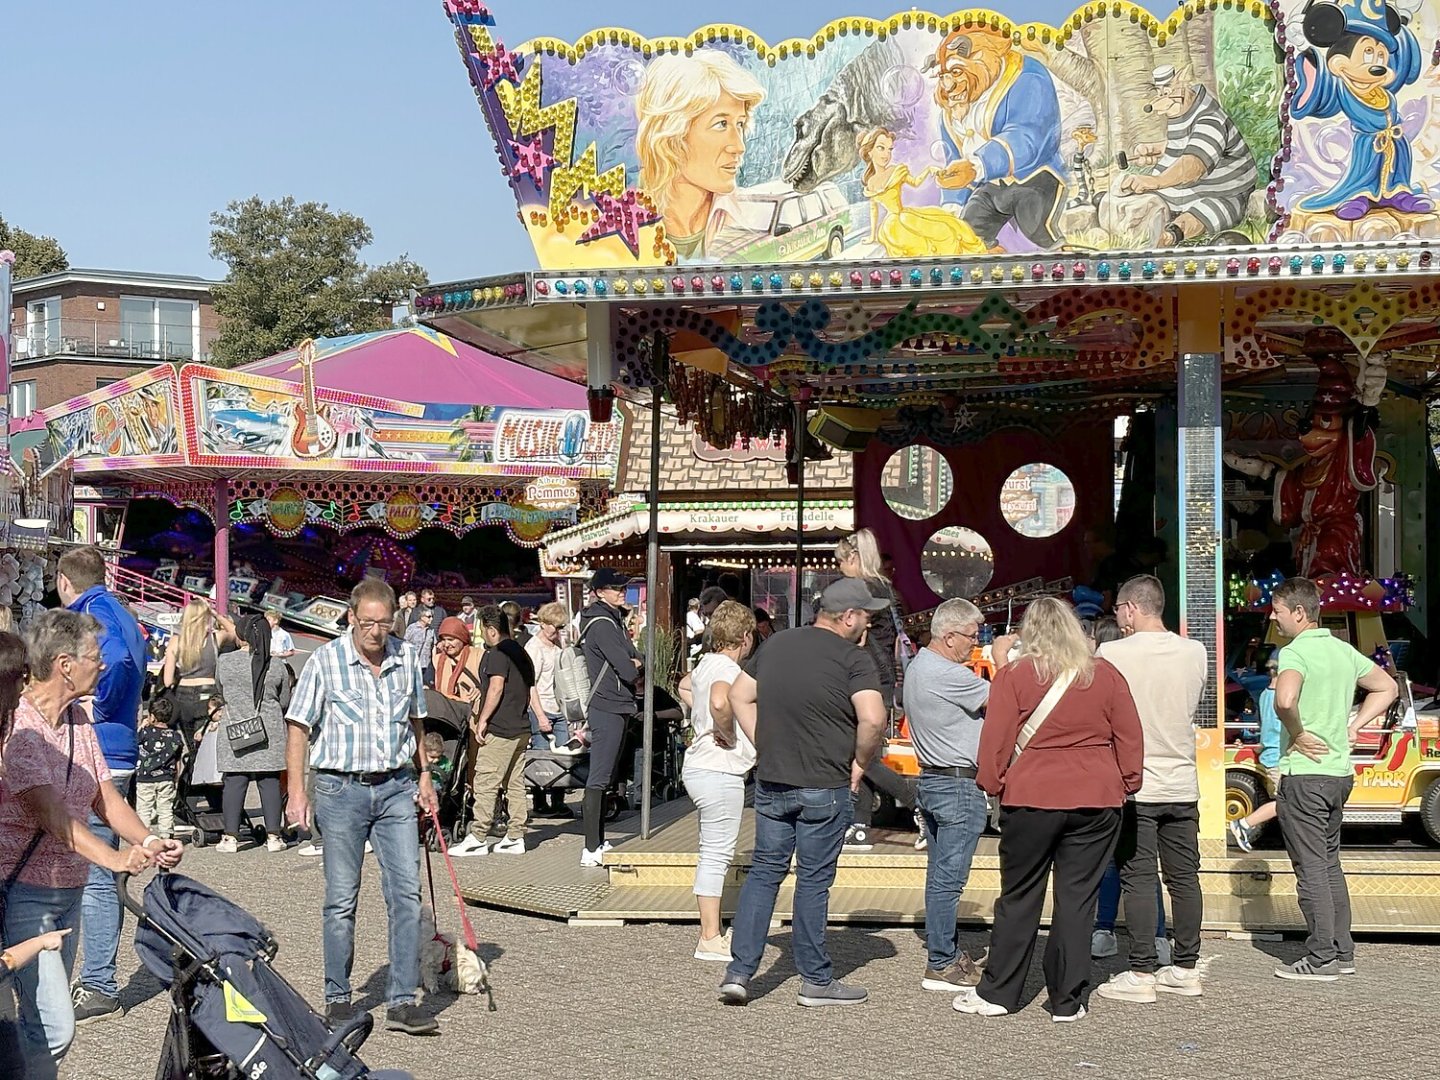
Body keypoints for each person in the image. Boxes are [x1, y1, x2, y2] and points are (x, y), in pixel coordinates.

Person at [1, 612, 181, 1071]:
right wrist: (114, 858)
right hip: (24, 895)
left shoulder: (80, 717)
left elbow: (104, 796)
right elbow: (53, 817)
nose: (103, 667)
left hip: (69, 891)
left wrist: (150, 839)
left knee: (42, 1026)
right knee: (54, 1029)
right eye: (96, 659)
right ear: (65, 664)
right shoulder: (20, 726)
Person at [955, 598, 1142, 1022]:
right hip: (1096, 798)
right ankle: (1067, 1000)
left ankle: (999, 993)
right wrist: (1128, 782)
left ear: (1029, 632)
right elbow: (1129, 736)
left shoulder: (1015, 676)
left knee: (1020, 897)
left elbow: (996, 740)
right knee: (1078, 901)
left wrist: (993, 785)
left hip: (1031, 797)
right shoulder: (1106, 676)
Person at [717, 578, 889, 1007]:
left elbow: (737, 695)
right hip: (825, 783)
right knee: (813, 882)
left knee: (764, 873)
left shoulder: (776, 645)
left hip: (774, 779)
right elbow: (872, 718)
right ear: (848, 617)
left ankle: (739, 972)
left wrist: (763, 742)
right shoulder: (855, 658)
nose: (868, 623)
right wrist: (861, 763)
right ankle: (815, 980)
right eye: (866, 615)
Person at [283, 578, 440, 1036]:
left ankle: (403, 999)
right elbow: (298, 726)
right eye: (367, 622)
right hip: (339, 790)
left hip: (395, 786)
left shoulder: (405, 656)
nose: (375, 632)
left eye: (383, 623)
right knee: (341, 898)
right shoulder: (326, 661)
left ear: (394, 620)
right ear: (351, 616)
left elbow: (415, 720)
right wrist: (297, 791)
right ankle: (337, 997)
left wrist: (425, 775)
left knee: (406, 894)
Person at [1268, 577, 1396, 981]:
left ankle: (1320, 956)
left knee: (1310, 870)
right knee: (1329, 863)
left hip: (1304, 774)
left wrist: (1299, 731)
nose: (1274, 617)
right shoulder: (1342, 650)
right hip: (1338, 773)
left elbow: (1285, 699)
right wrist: (1355, 724)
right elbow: (1387, 686)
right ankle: (1342, 952)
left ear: (1299, 613)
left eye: (1278, 610)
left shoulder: (1295, 652)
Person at [1094, 574, 1209, 1004]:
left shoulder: (1111, 653)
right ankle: (1186, 967)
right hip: (1183, 780)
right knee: (1184, 877)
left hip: (1135, 782)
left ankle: (1141, 971)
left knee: (1138, 876)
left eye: (1120, 610)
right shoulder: (1195, 651)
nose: (1118, 617)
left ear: (1131, 608)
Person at [56, 547, 148, 1027]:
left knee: (92, 869)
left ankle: (98, 981)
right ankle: (94, 975)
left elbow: (118, 664)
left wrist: (94, 704)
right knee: (98, 867)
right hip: (120, 744)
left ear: (63, 581)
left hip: (100, 746)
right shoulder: (122, 612)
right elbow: (139, 661)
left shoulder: (92, 613)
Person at [905, 598, 1013, 992]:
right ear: (948, 637)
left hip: (934, 781)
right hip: (956, 784)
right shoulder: (948, 674)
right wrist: (1002, 658)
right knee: (949, 881)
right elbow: (1007, 700)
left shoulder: (921, 666)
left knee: (940, 877)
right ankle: (942, 963)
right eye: (972, 635)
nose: (976, 643)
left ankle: (944, 954)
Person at [676, 601, 755, 963]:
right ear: (745, 637)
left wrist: (700, 721)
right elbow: (722, 702)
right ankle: (710, 936)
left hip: (699, 765)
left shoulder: (706, 663)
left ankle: (711, 931)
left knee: (712, 849)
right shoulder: (728, 667)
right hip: (720, 767)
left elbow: (684, 686)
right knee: (716, 853)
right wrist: (725, 730)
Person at [1089, 615, 1168, 962]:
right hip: (1152, 773)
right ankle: (1159, 937)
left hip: (1112, 775)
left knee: (1111, 861)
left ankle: (1104, 930)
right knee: (1145, 863)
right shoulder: (1157, 670)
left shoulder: (1103, 669)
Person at [635, 50, 766, 261]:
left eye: (740, 124)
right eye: (721, 124)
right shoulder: (617, 215)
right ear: (672, 135)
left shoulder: (751, 218)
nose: (739, 146)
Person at [835, 528, 903, 849]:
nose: (838, 568)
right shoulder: (884, 588)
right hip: (881, 677)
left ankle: (918, 802)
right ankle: (860, 824)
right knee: (862, 753)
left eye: (840, 561)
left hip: (866, 678)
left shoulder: (861, 590)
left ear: (854, 558)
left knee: (862, 755)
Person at [451, 607, 535, 857]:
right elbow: (529, 690)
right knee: (515, 783)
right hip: (521, 727)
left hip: (501, 728)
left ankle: (478, 836)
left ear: (491, 630)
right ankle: (516, 835)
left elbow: (496, 687)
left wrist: (484, 719)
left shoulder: (497, 654)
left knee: (486, 780)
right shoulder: (521, 653)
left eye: (482, 632)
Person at [578, 569, 643, 867]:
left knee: (606, 776)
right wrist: (633, 663)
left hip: (615, 704)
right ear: (600, 591)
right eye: (616, 588)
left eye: (624, 587)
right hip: (607, 705)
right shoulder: (603, 624)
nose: (622, 592)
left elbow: (635, 656)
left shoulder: (612, 620)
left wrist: (633, 661)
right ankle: (591, 847)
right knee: (600, 776)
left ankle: (598, 840)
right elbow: (629, 668)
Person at [214, 614, 291, 854]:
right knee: (269, 783)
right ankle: (273, 836)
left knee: (235, 782)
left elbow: (220, 690)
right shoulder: (276, 665)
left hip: (236, 728)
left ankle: (230, 837)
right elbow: (285, 699)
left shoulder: (225, 662)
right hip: (268, 730)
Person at [859, 127, 987, 257]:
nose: (886, 154)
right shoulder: (871, 182)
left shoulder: (895, 170)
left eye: (889, 149)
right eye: (881, 148)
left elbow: (915, 182)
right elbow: (873, 208)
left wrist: (929, 169)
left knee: (945, 229)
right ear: (869, 152)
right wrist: (872, 236)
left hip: (906, 216)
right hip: (891, 226)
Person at [1230, 658, 1283, 851]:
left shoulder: (1264, 695)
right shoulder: (1282, 698)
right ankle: (1244, 824)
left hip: (1272, 752)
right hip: (1279, 755)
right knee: (1287, 802)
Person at [162, 598, 226, 747]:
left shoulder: (176, 641)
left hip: (183, 696)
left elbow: (167, 681)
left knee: (191, 746)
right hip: (209, 694)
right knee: (207, 744)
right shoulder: (216, 638)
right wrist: (217, 615)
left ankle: (192, 768)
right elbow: (236, 632)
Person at [525, 602, 574, 759]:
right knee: (543, 760)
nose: (558, 631)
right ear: (542, 624)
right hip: (542, 710)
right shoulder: (534, 648)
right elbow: (530, 685)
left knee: (564, 759)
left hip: (560, 710)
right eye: (555, 627)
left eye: (561, 627)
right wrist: (540, 717)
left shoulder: (557, 645)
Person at [133, 695, 184, 841]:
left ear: (152, 717)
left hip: (145, 777)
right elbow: (178, 759)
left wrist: (142, 726)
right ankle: (166, 834)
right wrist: (176, 777)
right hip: (166, 777)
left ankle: (143, 835)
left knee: (144, 807)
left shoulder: (145, 733)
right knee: (166, 807)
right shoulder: (175, 736)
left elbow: (134, 743)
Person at [405, 610, 437, 688]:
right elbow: (405, 643)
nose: (431, 619)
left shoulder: (431, 630)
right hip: (413, 662)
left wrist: (435, 661)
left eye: (432, 616)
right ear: (422, 617)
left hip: (426, 664)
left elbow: (434, 646)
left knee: (425, 686)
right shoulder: (412, 628)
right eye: (429, 617)